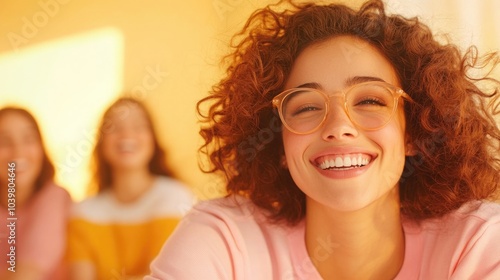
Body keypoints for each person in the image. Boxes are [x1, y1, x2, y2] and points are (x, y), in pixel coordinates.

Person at [146, 0, 500, 279]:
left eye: (370, 100)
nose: (338, 126)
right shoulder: (225, 238)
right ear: (278, 144)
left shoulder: (477, 242)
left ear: (414, 132)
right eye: (306, 108)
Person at [67, 97, 195, 280]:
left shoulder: (176, 198)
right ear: (101, 143)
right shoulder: (83, 213)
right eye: (115, 128)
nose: (126, 135)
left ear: (153, 139)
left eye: (138, 126)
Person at [0, 107, 72, 280]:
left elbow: (27, 274)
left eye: (28, 139)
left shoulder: (54, 197)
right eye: (4, 141)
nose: (18, 151)